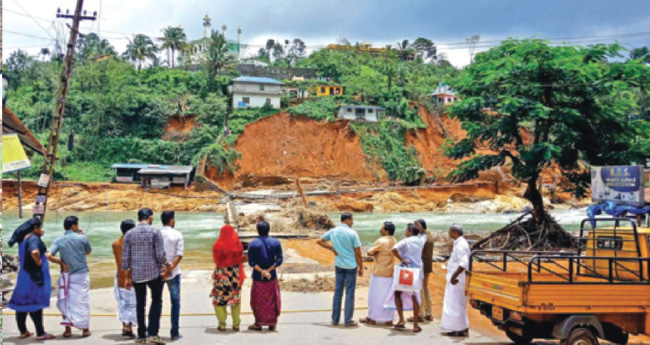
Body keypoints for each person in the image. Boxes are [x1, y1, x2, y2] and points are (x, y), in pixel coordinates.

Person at [122, 208, 171, 345]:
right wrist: (166, 265)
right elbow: (160, 255)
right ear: (150, 217)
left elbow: (125, 259)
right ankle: (153, 334)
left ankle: (141, 336)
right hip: (153, 273)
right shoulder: (155, 231)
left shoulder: (129, 234)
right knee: (156, 301)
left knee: (140, 304)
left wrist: (127, 275)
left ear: (139, 218)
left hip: (137, 274)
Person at [7, 218, 56, 340]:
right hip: (33, 276)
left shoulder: (22, 238)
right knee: (36, 303)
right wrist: (38, 262)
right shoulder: (33, 238)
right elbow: (34, 252)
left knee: (22, 303)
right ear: (34, 228)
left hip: (24, 275)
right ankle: (40, 333)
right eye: (39, 228)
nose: (41, 230)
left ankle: (23, 331)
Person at [46, 216, 93, 338]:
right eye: (77, 225)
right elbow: (88, 252)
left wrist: (61, 263)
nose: (78, 227)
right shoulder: (82, 237)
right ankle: (85, 329)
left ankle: (68, 330)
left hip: (66, 275)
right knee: (82, 301)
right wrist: (82, 235)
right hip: (81, 274)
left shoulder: (59, 240)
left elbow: (48, 255)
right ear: (73, 226)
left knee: (65, 301)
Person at [316, 212, 363, 327]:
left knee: (338, 292)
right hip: (351, 266)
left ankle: (335, 319)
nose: (352, 222)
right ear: (347, 220)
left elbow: (319, 241)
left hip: (339, 265)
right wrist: (361, 266)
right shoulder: (352, 233)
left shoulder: (333, 231)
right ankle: (348, 320)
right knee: (350, 293)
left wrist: (332, 248)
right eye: (352, 220)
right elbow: (357, 252)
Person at [247, 221, 283, 331]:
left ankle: (258, 323)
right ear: (269, 229)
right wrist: (269, 270)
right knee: (272, 299)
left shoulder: (253, 244)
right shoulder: (276, 243)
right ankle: (272, 323)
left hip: (258, 277)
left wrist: (262, 271)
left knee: (258, 300)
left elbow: (251, 262)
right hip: (271, 276)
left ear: (257, 230)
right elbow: (279, 259)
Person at [360, 221, 396, 326]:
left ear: (386, 231)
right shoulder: (394, 240)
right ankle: (389, 319)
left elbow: (370, 252)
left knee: (375, 296)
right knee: (388, 296)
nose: (380, 229)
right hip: (390, 272)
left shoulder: (381, 240)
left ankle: (372, 318)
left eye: (382, 228)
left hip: (379, 272)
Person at [211, 224, 246, 332]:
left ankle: (222, 324)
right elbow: (240, 257)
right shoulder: (238, 244)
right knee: (235, 299)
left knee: (219, 300)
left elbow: (216, 261)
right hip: (234, 274)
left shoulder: (217, 245)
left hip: (222, 275)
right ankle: (236, 324)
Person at [391, 223, 424, 333]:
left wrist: (401, 259)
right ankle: (415, 325)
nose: (405, 231)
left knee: (397, 293)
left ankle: (401, 320)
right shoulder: (420, 240)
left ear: (410, 232)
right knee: (415, 296)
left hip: (405, 270)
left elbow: (394, 248)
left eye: (406, 230)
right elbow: (424, 233)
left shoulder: (406, 240)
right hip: (417, 272)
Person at [441, 223, 471, 337]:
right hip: (456, 278)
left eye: (450, 231)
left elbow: (464, 263)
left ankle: (458, 328)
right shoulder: (459, 243)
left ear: (455, 232)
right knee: (457, 304)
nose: (449, 233)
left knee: (456, 304)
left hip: (457, 279)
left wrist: (454, 276)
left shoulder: (461, 245)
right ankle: (461, 327)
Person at [160, 211, 184, 340]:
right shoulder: (177, 234)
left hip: (158, 273)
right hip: (173, 273)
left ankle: (153, 331)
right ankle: (174, 332)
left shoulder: (156, 234)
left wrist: (163, 272)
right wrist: (169, 270)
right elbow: (179, 255)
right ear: (171, 221)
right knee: (175, 302)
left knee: (156, 302)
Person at [112, 219, 137, 337]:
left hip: (120, 276)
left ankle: (125, 326)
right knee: (133, 303)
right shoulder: (134, 244)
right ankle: (130, 325)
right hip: (132, 276)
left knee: (122, 302)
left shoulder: (115, 243)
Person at [409, 219, 434, 323]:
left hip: (422, 266)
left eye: (417, 226)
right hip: (427, 266)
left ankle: (420, 314)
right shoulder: (429, 235)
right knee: (425, 288)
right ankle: (428, 313)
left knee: (420, 289)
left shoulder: (422, 238)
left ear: (420, 226)